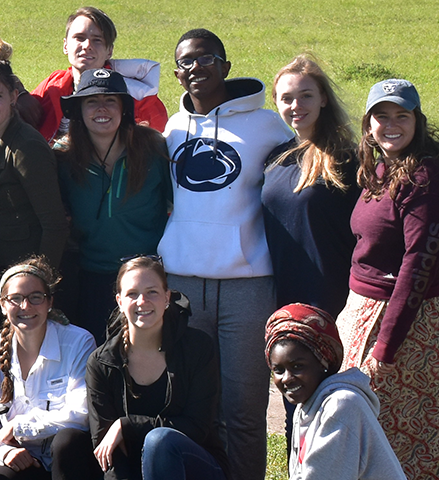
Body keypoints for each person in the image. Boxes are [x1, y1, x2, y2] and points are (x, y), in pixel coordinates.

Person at [159, 30, 295, 479]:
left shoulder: (269, 125)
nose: (196, 69)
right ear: (177, 73)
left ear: (226, 66)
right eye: (186, 63)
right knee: (195, 403)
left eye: (206, 59)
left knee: (243, 410)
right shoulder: (173, 128)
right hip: (182, 283)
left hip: (248, 284)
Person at [341, 78, 439, 480]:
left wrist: (384, 349)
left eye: (402, 115)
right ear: (368, 124)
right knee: (365, 445)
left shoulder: (425, 180)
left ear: (418, 122)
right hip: (364, 317)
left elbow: (418, 266)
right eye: (381, 115)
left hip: (410, 337)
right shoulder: (381, 169)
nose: (390, 124)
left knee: (409, 452)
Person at [52, 69, 170, 346]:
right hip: (92, 277)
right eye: (92, 101)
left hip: (147, 277)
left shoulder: (154, 148)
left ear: (124, 109)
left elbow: (177, 205)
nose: (101, 109)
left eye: (111, 101)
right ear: (78, 110)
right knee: (100, 358)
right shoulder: (63, 156)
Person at [83, 256, 223, 480]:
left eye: (152, 292)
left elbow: (197, 428)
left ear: (167, 297)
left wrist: (127, 425)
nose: (142, 301)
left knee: (159, 440)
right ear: (119, 301)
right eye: (132, 294)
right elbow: (108, 452)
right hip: (132, 472)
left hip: (195, 468)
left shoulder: (198, 347)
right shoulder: (101, 363)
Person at [0, 258, 99, 480]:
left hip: (69, 460)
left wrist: (21, 426)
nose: (25, 306)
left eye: (35, 297)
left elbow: (82, 415)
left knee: (67, 441)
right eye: (15, 299)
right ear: (2, 305)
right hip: (24, 458)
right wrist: (4, 451)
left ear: (49, 302)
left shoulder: (78, 342)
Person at [262, 55, 360, 315]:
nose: (296, 105)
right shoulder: (274, 157)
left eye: (306, 95)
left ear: (323, 99)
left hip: (333, 297)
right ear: (276, 102)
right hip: (281, 296)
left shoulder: (348, 158)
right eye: (286, 98)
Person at [262, 304, 406, 480]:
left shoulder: (340, 407)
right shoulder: (307, 404)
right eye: (278, 370)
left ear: (323, 362)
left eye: (297, 367)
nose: (286, 378)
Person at [0, 38, 69, 271]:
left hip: (27, 283)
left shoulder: (26, 147)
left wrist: (39, 282)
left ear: (13, 97)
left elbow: (55, 226)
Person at [29, 7, 168, 141]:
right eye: (79, 37)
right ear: (65, 46)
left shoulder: (137, 96)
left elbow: (155, 148)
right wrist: (22, 93)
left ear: (110, 51)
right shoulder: (53, 84)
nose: (87, 45)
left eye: (97, 40)